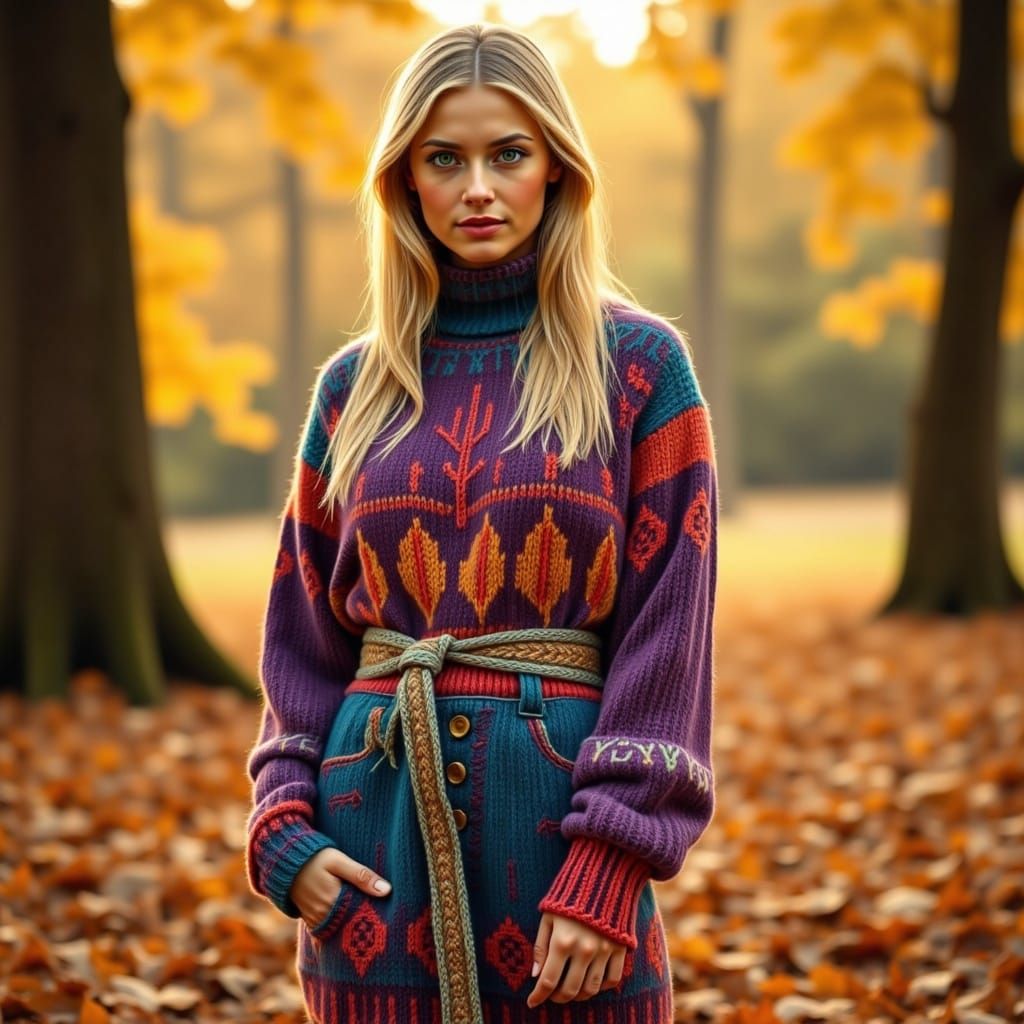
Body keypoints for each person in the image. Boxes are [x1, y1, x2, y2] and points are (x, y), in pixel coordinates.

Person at [244, 21, 718, 1024]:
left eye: (508, 154)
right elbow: (299, 637)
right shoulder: (354, 388)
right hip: (369, 855)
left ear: (555, 166)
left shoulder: (638, 368)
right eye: (443, 159)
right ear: (403, 181)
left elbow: (667, 636)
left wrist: (610, 864)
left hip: (560, 851)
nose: (477, 188)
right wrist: (286, 828)